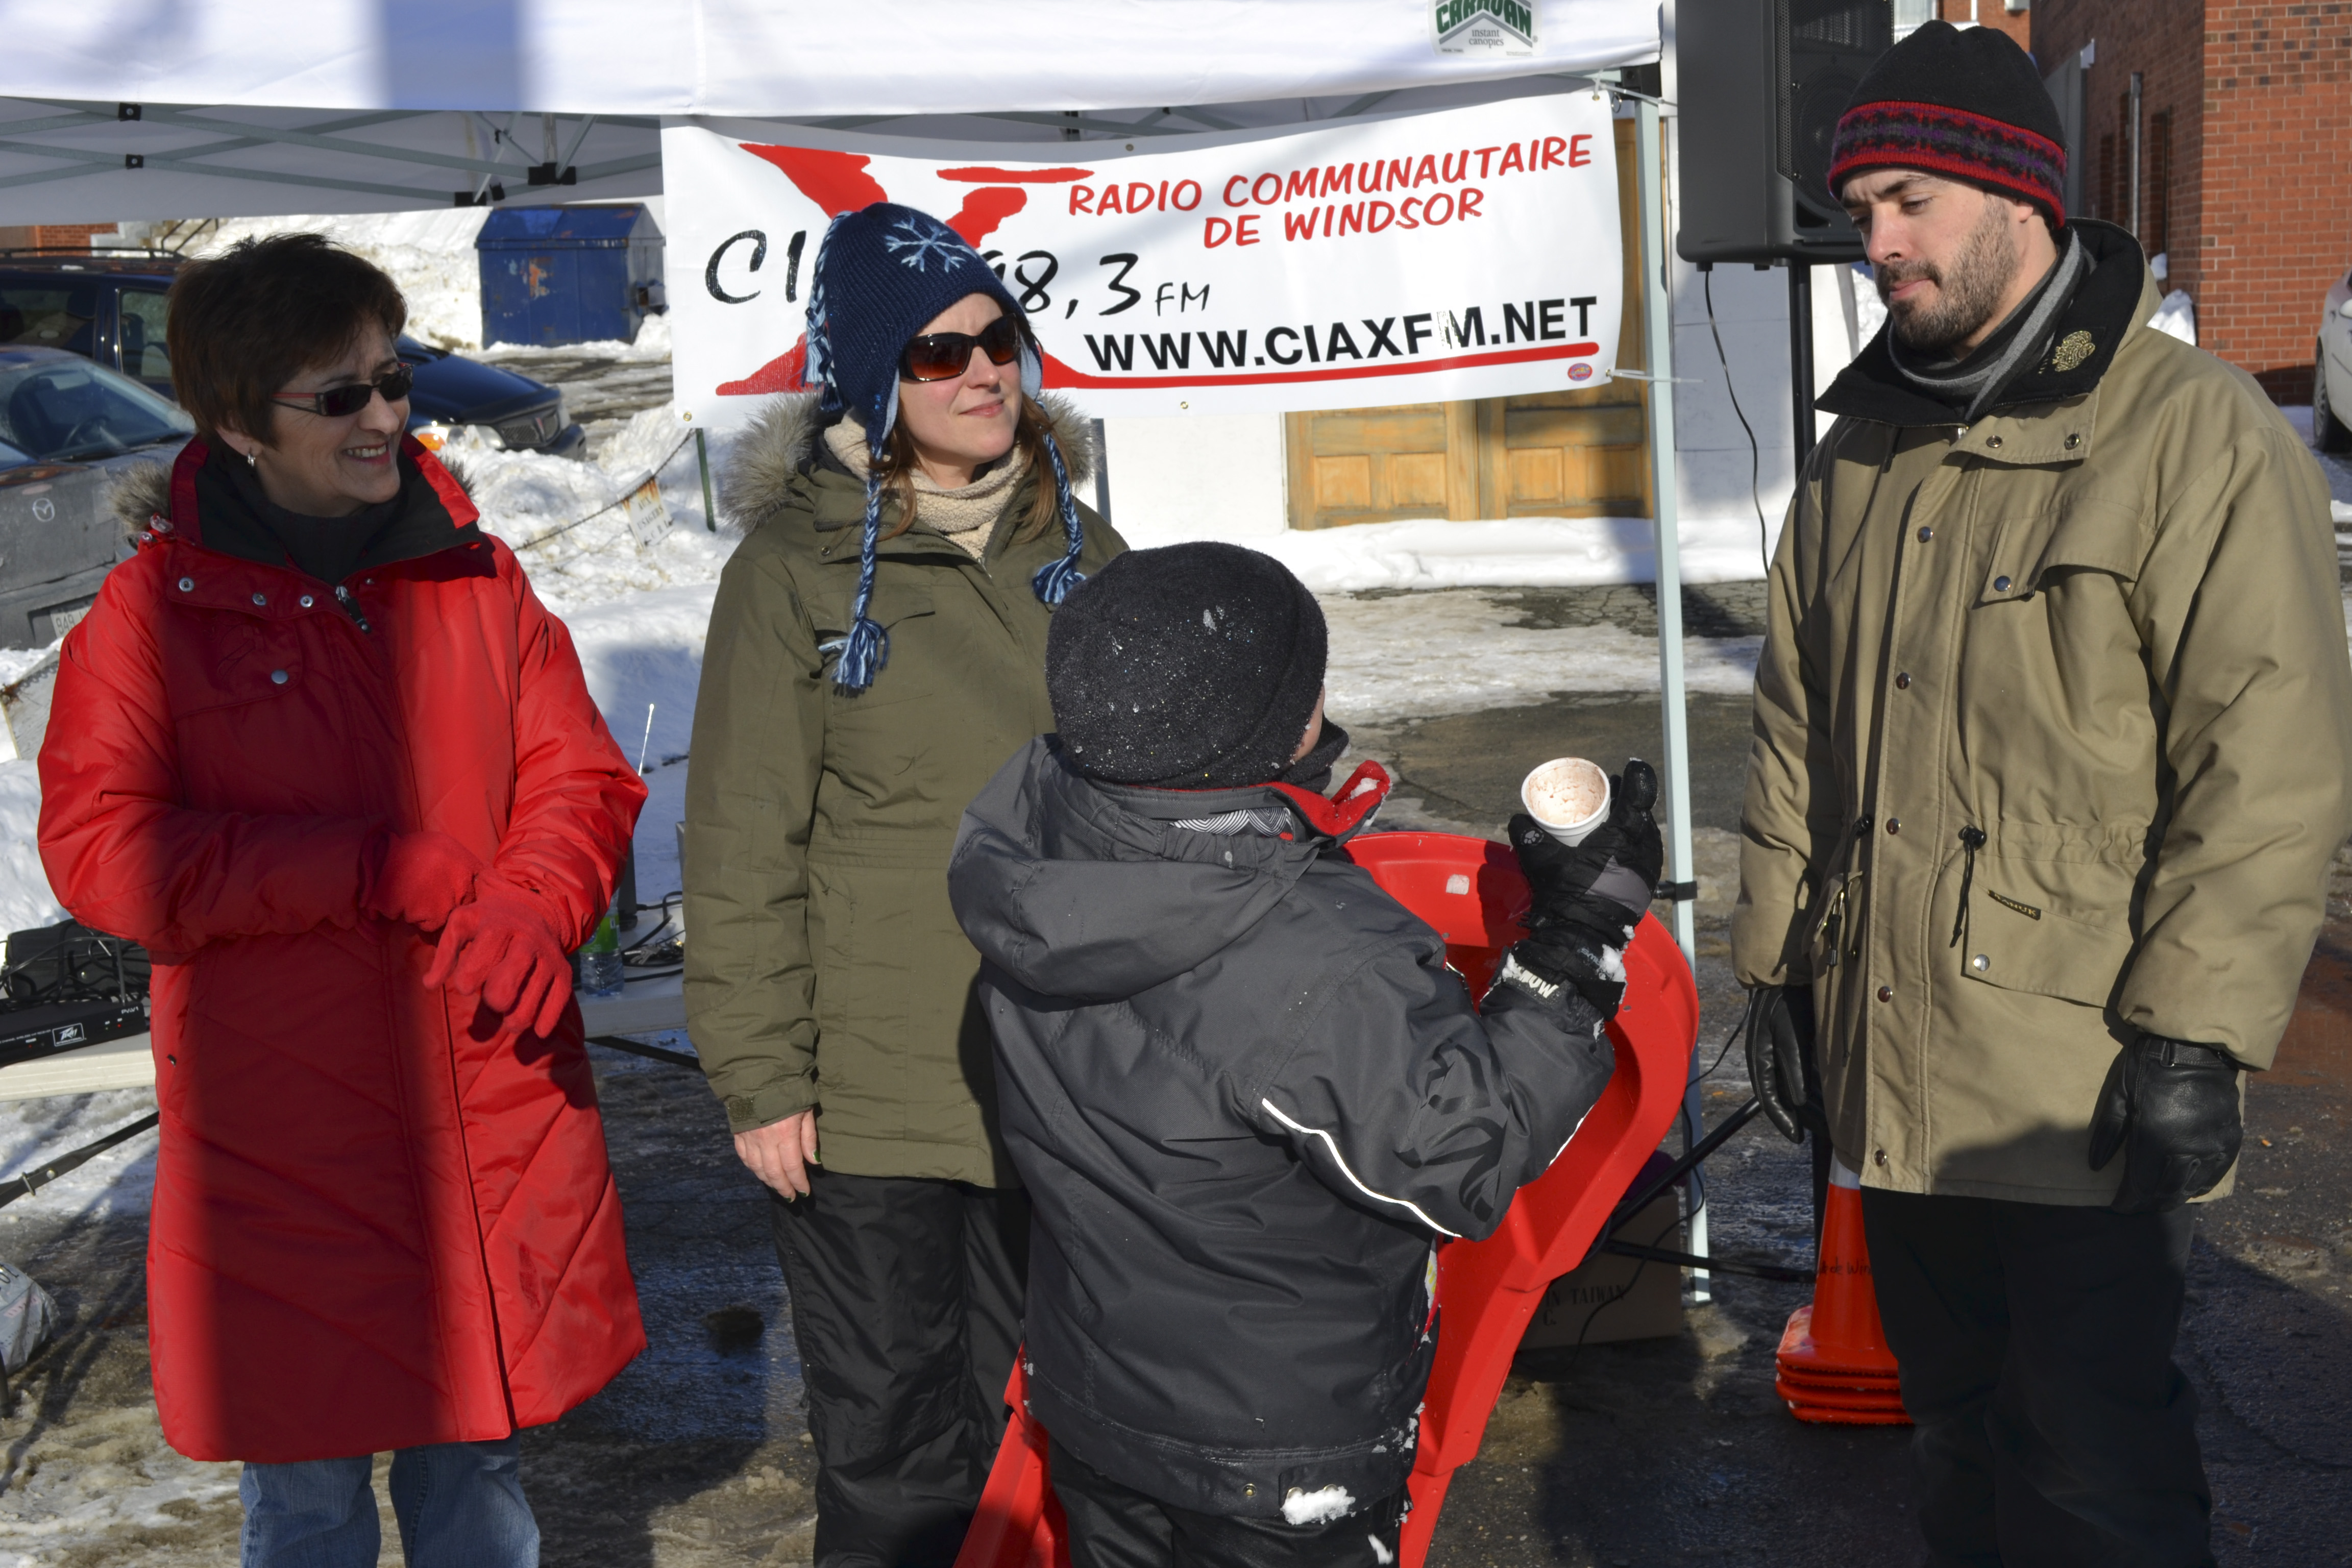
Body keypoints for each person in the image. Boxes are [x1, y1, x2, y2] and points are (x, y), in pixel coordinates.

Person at [1733, 23, 2352, 1566]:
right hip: (1897, 1068)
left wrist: (2199, 1027)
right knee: (1952, 1435)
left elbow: (2265, 755)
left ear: (2025, 199)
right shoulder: (1864, 447)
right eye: (1861, 206)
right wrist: (1784, 970)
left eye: (1911, 201)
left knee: (2094, 1463)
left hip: (2076, 1074)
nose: (1877, 243)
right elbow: (1800, 726)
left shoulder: (2188, 433)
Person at [36, 233, 648, 1566]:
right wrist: (360, 868)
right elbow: (105, 852)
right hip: (285, 1143)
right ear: (240, 424)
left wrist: (536, 905)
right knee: (308, 1503)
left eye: (393, 379)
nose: (387, 417)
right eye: (342, 396)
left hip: (479, 1117)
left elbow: (577, 774)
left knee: (476, 1471)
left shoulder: (474, 577)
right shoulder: (147, 620)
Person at [947, 541, 1653, 1562]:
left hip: (1100, 1396)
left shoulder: (1030, 846)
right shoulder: (1315, 956)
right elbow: (1460, 1156)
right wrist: (1579, 939)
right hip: (1275, 1445)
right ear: (1280, 722)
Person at [683, 202, 1125, 1564]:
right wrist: (762, 1078)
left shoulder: (1083, 548)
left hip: (1063, 1070)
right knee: (892, 1455)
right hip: (874, 1094)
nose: (985, 372)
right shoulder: (797, 571)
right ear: (877, 379)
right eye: (939, 355)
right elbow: (742, 839)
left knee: (1042, 1435)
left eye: (998, 339)